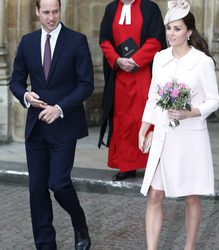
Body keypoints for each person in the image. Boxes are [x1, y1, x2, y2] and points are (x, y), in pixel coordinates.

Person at [9, 0, 94, 249]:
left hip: (64, 125)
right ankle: (45, 245)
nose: (51, 17)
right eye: (46, 12)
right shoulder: (27, 42)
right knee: (37, 190)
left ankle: (79, 223)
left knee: (58, 184)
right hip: (36, 127)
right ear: (37, 12)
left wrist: (59, 108)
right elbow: (16, 81)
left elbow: (86, 85)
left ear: (60, 10)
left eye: (55, 11)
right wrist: (26, 96)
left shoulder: (76, 41)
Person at [138, 0, 219, 249]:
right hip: (163, 135)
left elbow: (214, 100)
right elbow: (153, 96)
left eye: (176, 29)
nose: (171, 34)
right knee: (154, 193)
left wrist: (191, 112)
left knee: (191, 196)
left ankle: (189, 246)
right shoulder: (159, 58)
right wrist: (144, 128)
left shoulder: (202, 62)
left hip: (190, 137)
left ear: (189, 32)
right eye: (168, 28)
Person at [98, 0, 167, 181]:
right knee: (123, 120)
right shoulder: (111, 9)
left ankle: (152, 164)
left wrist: (136, 60)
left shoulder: (149, 8)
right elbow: (104, 40)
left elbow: (156, 39)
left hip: (144, 74)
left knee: (144, 118)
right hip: (120, 75)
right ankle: (126, 165)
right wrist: (117, 59)